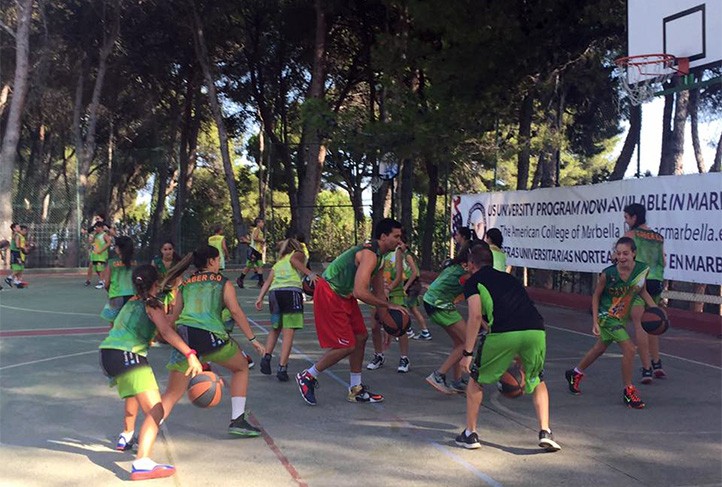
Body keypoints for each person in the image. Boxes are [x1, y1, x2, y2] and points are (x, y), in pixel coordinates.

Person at [99, 264, 202, 481]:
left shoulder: (132, 303)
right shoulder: (152, 304)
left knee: (139, 398)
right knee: (156, 411)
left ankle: (127, 436)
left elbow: (157, 333)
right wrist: (190, 353)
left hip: (108, 355)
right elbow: (165, 331)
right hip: (128, 355)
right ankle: (142, 463)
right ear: (155, 284)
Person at [457, 242, 560, 452]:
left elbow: (475, 316)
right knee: (537, 378)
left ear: (470, 264)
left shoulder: (473, 282)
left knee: (476, 380)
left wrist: (467, 353)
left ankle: (471, 433)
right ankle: (545, 431)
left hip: (504, 333)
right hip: (535, 330)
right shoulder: (509, 278)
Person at [295, 218, 406, 406]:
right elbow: (360, 292)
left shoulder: (380, 258)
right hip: (330, 291)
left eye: (400, 237)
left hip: (344, 295)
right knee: (347, 345)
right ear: (383, 236)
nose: (399, 241)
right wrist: (389, 307)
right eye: (396, 236)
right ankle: (308, 376)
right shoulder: (370, 254)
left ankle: (356, 389)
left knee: (361, 336)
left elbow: (379, 293)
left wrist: (386, 319)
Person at [160, 245, 265, 436]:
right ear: (211, 261)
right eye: (217, 260)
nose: (219, 263)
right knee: (241, 367)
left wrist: (169, 337)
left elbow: (175, 317)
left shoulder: (186, 284)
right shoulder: (222, 283)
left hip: (185, 337)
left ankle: (145, 430)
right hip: (209, 335)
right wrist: (253, 339)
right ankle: (237, 420)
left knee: (172, 393)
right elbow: (235, 311)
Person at [564, 237, 657, 409]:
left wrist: (655, 309)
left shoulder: (643, 270)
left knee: (600, 348)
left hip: (621, 316)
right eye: (618, 253)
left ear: (634, 253)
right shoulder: (608, 274)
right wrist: (595, 322)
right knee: (629, 349)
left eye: (625, 253)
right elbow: (596, 295)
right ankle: (628, 391)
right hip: (606, 316)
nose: (621, 257)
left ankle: (575, 373)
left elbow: (641, 290)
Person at [255, 238, 316, 381]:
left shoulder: (278, 263)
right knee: (288, 331)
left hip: (274, 293)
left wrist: (260, 297)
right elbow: (295, 261)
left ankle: (267, 356)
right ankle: (282, 368)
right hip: (291, 292)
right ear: (295, 246)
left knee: (275, 328)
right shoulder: (298, 253)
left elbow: (268, 282)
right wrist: (310, 274)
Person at [624, 203, 667, 383]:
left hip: (639, 281)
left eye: (627, 217)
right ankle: (657, 363)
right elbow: (664, 262)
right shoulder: (657, 237)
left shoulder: (631, 236)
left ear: (635, 217)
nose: (626, 221)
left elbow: (623, 256)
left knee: (640, 324)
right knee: (654, 321)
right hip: (656, 281)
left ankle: (646, 369)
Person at [423, 241, 473, 394]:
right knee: (468, 342)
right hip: (439, 304)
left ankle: (457, 381)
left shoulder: (456, 266)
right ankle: (438, 375)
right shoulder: (466, 271)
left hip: (432, 301)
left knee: (459, 342)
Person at [366, 242, 412, 373]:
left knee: (401, 326)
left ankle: (404, 358)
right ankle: (378, 355)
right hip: (377, 293)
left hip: (394, 293)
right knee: (375, 327)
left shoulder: (396, 252)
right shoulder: (374, 253)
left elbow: (398, 276)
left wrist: (388, 289)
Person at [100, 236, 137, 324]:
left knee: (113, 321)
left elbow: (106, 283)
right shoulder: (135, 263)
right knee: (130, 321)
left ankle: (114, 337)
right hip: (133, 295)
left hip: (116, 295)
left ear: (119, 249)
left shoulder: (111, 263)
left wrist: (109, 291)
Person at [237, 217, 266, 288]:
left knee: (259, 266)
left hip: (258, 250)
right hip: (254, 250)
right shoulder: (256, 230)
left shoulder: (259, 230)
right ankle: (240, 279)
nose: (263, 224)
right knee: (249, 266)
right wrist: (262, 240)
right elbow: (254, 238)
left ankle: (260, 281)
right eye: (261, 222)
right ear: (258, 223)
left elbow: (252, 240)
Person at [90, 221, 113, 289]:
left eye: (97, 227)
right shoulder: (96, 235)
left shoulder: (104, 235)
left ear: (101, 227)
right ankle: (102, 280)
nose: (95, 229)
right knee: (96, 269)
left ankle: (102, 282)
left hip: (101, 255)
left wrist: (101, 250)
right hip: (95, 254)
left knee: (100, 268)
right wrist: (93, 236)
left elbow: (109, 243)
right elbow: (92, 242)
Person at [6, 223, 29, 288]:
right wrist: (24, 248)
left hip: (18, 252)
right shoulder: (16, 235)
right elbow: (17, 245)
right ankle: (9, 278)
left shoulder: (19, 235)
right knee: (18, 267)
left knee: (21, 267)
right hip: (15, 252)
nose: (19, 228)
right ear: (14, 229)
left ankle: (17, 281)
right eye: (18, 227)